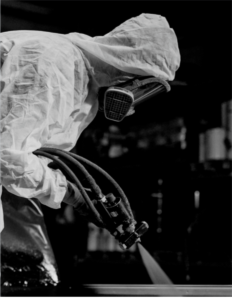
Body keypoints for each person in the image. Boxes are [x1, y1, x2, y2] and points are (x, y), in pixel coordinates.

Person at [0, 13, 180, 284]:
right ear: (128, 60)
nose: (136, 97)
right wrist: (69, 192)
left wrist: (83, 196)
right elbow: (7, 154)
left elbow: (34, 153)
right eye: (143, 83)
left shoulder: (83, 86)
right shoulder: (54, 63)